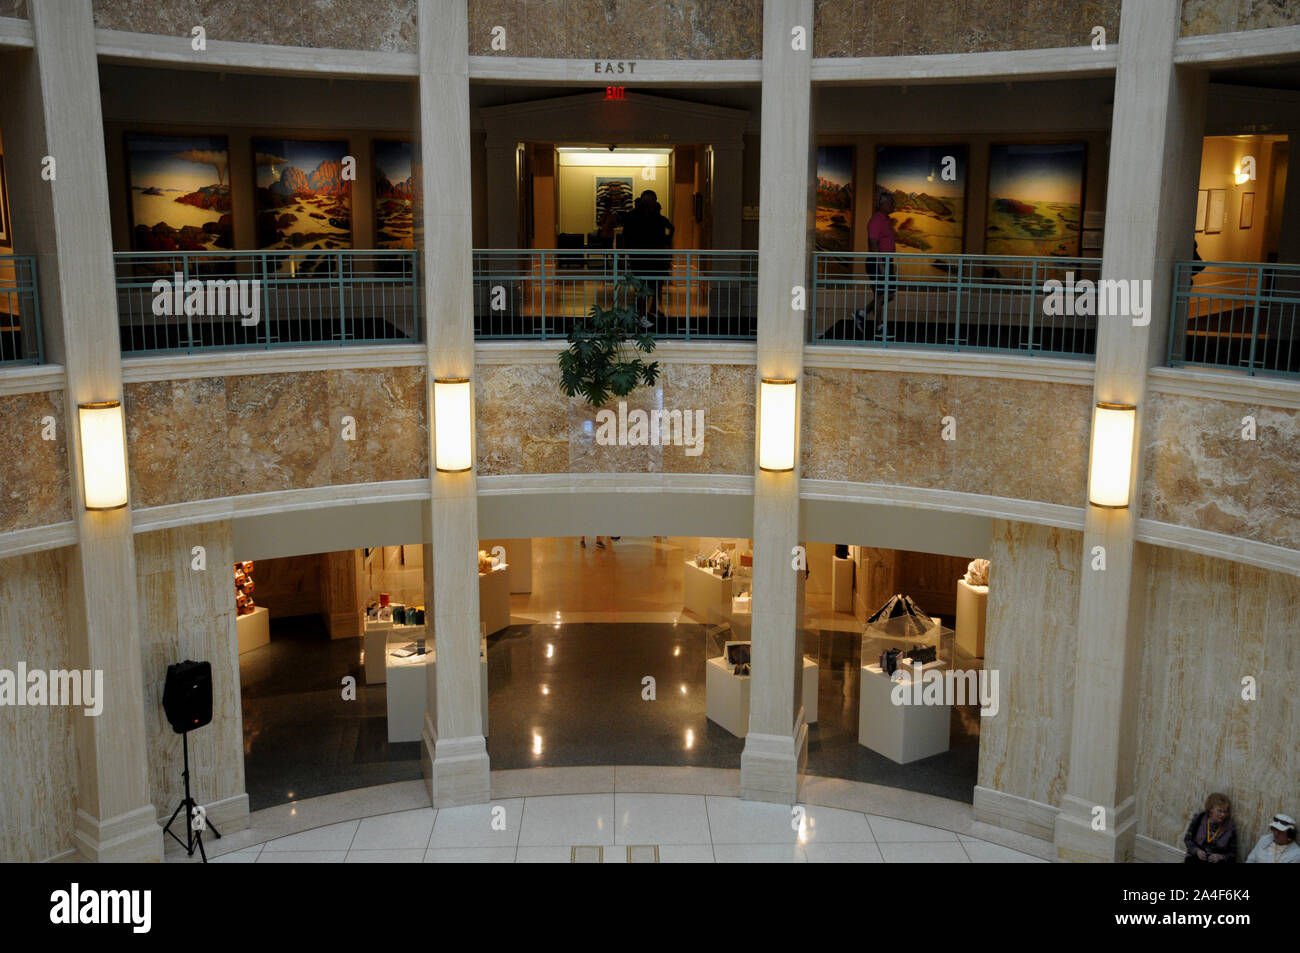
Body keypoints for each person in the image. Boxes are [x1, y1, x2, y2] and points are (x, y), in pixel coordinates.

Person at [623, 191, 674, 323]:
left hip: (653, 257)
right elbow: (627, 236)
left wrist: (666, 242)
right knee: (642, 286)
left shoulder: (654, 216)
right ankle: (642, 313)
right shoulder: (636, 216)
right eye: (653, 200)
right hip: (642, 257)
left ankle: (648, 311)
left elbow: (669, 228)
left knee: (653, 284)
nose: (655, 202)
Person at [862, 191, 898, 337]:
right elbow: (873, 243)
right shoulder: (876, 220)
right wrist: (881, 264)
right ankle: (879, 327)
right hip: (878, 261)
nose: (893, 205)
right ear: (882, 204)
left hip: (886, 261)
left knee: (889, 294)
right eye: (891, 203)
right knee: (881, 294)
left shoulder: (885, 220)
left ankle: (862, 313)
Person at [1183, 792, 1237, 863]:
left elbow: (1233, 854)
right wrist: (1196, 851)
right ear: (1211, 809)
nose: (1223, 815)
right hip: (1196, 857)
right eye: (1220, 811)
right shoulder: (1199, 818)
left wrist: (1221, 857)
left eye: (1225, 812)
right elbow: (1187, 840)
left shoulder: (1230, 827)